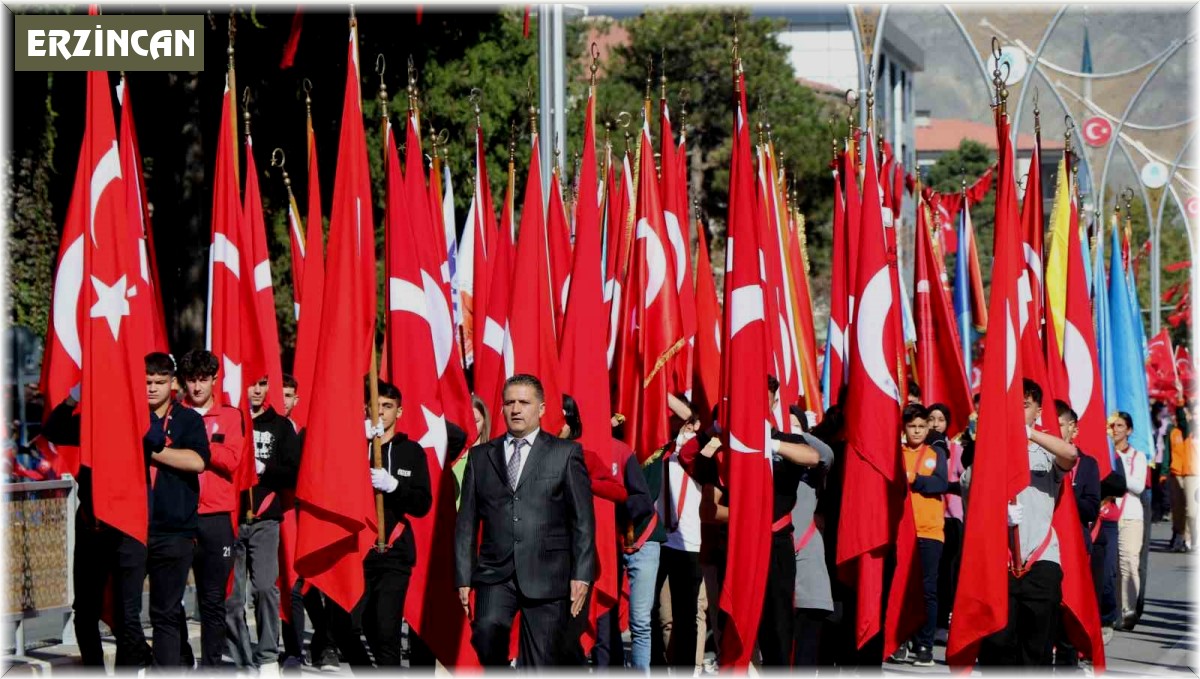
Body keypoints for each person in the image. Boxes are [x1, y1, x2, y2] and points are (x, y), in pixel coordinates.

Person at [455, 374, 596, 667]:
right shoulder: (481, 457)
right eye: (509, 403)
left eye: (524, 402)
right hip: (495, 572)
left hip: (549, 573)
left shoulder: (565, 454)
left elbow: (582, 520)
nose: (516, 409)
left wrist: (582, 574)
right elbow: (467, 522)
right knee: (486, 633)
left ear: (541, 409)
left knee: (541, 660)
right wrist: (463, 576)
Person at [970, 379, 1078, 667]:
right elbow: (971, 499)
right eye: (1012, 406)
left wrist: (1028, 434)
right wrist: (996, 514)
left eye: (1025, 406)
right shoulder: (987, 452)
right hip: (999, 561)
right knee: (997, 647)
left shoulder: (1045, 453)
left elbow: (1070, 455)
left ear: (1038, 412)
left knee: (1037, 648)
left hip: (1040, 559)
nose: (1018, 411)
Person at [331, 380, 433, 667]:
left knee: (384, 630)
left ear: (399, 412)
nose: (381, 412)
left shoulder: (411, 451)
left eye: (387, 407)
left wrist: (394, 486)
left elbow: (422, 503)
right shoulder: (352, 445)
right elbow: (328, 473)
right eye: (375, 406)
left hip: (393, 553)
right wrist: (356, 443)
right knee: (343, 627)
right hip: (355, 550)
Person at [225, 376, 302, 674]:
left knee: (266, 589)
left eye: (262, 383)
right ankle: (243, 659)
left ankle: (268, 654)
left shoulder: (280, 426)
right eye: (251, 383)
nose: (256, 390)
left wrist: (263, 469)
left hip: (265, 519)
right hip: (229, 518)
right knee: (232, 596)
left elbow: (294, 472)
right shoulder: (230, 418)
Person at [177, 349, 247, 667]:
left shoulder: (231, 416)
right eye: (191, 380)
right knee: (168, 599)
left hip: (216, 518)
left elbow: (232, 460)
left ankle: (212, 666)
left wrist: (197, 445)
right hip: (180, 516)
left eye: (203, 380)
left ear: (214, 380)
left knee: (213, 599)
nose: (197, 387)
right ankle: (180, 653)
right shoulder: (174, 415)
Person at [143, 352, 212, 668]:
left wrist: (153, 451)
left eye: (159, 382)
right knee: (125, 611)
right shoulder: (128, 417)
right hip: (132, 528)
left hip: (175, 531)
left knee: (165, 612)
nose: (152, 388)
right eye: (147, 382)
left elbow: (197, 462)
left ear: (172, 383)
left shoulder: (188, 419)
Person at [757, 377, 824, 668]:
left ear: (774, 402)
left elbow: (814, 456)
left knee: (779, 623)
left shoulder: (784, 439)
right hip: (741, 541)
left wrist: (772, 444)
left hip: (777, 542)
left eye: (766, 397)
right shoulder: (728, 441)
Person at [890, 404, 948, 667]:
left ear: (927, 428)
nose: (916, 430)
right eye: (912, 426)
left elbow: (941, 483)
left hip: (929, 531)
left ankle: (925, 643)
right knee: (899, 587)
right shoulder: (896, 453)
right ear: (904, 428)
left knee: (927, 590)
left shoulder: (936, 452)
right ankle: (899, 640)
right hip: (901, 531)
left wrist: (913, 478)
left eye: (921, 426)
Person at [1052, 401, 1100, 668]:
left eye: (1061, 424)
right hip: (1043, 548)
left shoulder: (1088, 465)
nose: (1057, 430)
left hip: (1074, 549)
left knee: (1069, 612)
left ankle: (1068, 666)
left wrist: (1065, 493)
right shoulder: (1037, 458)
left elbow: (1091, 507)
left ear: (1073, 428)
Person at [786, 406, 835, 667]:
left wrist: (799, 434)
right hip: (778, 572)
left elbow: (826, 455)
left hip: (808, 574)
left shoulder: (812, 473)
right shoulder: (772, 466)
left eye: (795, 424)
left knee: (805, 657)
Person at [927, 403, 963, 635]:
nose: (935, 424)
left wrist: (943, 485)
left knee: (948, 572)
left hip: (951, 520)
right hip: (927, 518)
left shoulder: (956, 450)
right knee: (930, 573)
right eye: (931, 418)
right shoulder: (920, 449)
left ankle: (942, 621)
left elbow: (967, 481)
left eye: (940, 419)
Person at [1110, 412, 1147, 629]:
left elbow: (1138, 486)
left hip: (1130, 516)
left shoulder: (1136, 456)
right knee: (1112, 566)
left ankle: (1129, 611)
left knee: (1129, 563)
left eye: (1120, 426)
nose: (1115, 430)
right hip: (1108, 513)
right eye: (1112, 425)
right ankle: (1113, 610)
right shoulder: (1105, 452)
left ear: (1129, 430)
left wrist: (1119, 464)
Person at [1168, 405, 1196, 552]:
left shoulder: (1189, 432)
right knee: (1178, 509)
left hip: (1193, 475)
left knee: (1191, 511)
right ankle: (1179, 536)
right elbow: (1168, 454)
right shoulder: (1176, 431)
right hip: (1178, 473)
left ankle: (1191, 538)